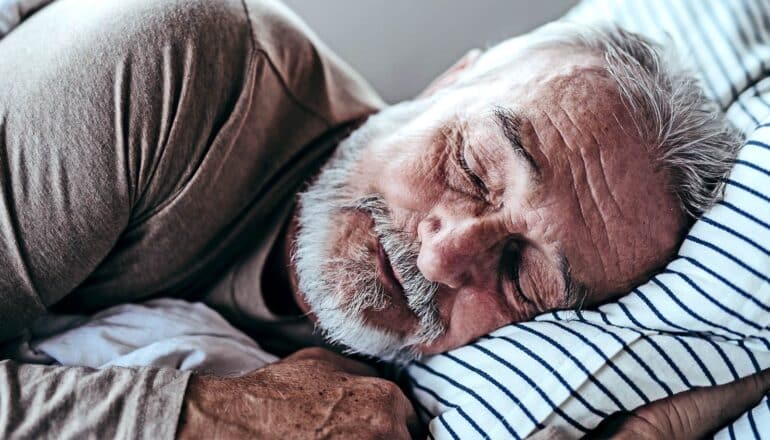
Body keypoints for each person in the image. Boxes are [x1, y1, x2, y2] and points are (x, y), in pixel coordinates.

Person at [0, 0, 765, 438]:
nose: (445, 256)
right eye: (473, 167)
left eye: (524, 276)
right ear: (448, 81)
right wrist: (206, 418)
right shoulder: (171, 65)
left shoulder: (416, 394)